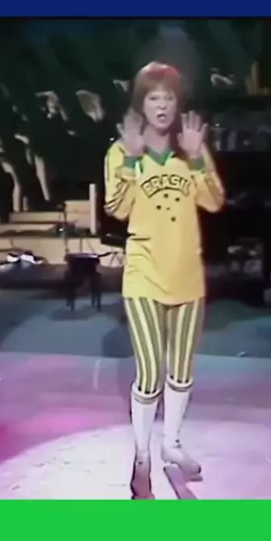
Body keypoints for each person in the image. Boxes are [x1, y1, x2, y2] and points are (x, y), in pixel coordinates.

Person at [104, 62, 225, 498]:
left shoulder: (189, 148)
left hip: (186, 275)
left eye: (168, 98)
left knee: (182, 370)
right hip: (144, 275)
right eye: (153, 98)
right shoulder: (122, 150)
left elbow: (214, 201)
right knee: (151, 373)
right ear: (141, 104)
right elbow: (116, 208)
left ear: (177, 105)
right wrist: (130, 159)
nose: (161, 105)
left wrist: (198, 158)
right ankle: (142, 458)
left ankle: (171, 443)